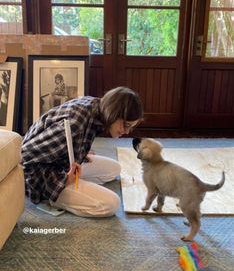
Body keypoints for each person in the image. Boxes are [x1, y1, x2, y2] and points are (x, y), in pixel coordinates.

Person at [21, 86, 144, 217]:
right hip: (40, 178)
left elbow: (63, 143)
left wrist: (80, 151)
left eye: (131, 127)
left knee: (114, 168)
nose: (127, 132)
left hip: (63, 163)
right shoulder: (75, 123)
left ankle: (77, 189)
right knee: (111, 204)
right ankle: (52, 198)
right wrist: (65, 180)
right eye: (126, 125)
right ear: (113, 113)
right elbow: (24, 155)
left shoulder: (96, 107)